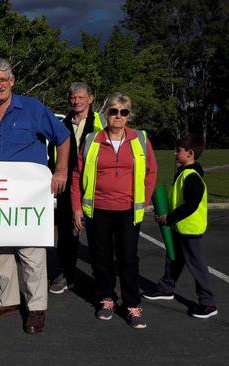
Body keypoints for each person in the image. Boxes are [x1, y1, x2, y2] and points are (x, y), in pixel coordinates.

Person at [0, 58, 71, 334]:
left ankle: (36, 309)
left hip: (29, 197)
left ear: (12, 81)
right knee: (0, 251)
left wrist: (61, 171)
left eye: (2, 80)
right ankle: (8, 301)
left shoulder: (32, 108)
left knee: (31, 254)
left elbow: (63, 137)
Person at [71, 92, 157, 329]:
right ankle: (106, 298)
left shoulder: (140, 139)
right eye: (113, 111)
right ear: (106, 113)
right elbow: (77, 176)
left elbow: (151, 173)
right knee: (102, 258)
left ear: (129, 116)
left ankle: (132, 305)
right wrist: (77, 208)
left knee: (128, 258)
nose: (118, 116)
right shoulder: (92, 139)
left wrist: (143, 200)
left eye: (124, 112)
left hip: (128, 210)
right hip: (98, 210)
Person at [143, 134, 218, 319]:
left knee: (197, 265)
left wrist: (169, 217)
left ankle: (208, 303)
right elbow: (178, 200)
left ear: (190, 153)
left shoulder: (192, 176)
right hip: (179, 227)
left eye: (179, 150)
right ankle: (166, 288)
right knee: (173, 259)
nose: (175, 153)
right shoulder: (183, 172)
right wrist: (165, 213)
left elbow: (191, 205)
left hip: (190, 229)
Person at [48, 82, 106, 294]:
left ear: (91, 98)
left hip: (95, 186)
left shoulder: (102, 122)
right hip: (67, 186)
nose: (77, 101)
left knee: (98, 235)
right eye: (73, 97)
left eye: (81, 97)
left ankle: (101, 281)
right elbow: (53, 155)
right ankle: (66, 274)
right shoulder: (61, 125)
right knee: (66, 234)